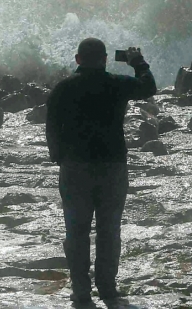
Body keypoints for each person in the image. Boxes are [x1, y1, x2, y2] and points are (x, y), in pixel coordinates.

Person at [45, 38, 157, 306]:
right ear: (105, 59)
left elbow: (51, 128)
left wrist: (59, 157)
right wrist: (137, 62)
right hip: (112, 165)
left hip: (75, 167)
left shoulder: (63, 88)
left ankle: (81, 291)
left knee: (76, 231)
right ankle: (107, 289)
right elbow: (149, 87)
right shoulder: (116, 84)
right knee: (109, 230)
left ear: (77, 59)